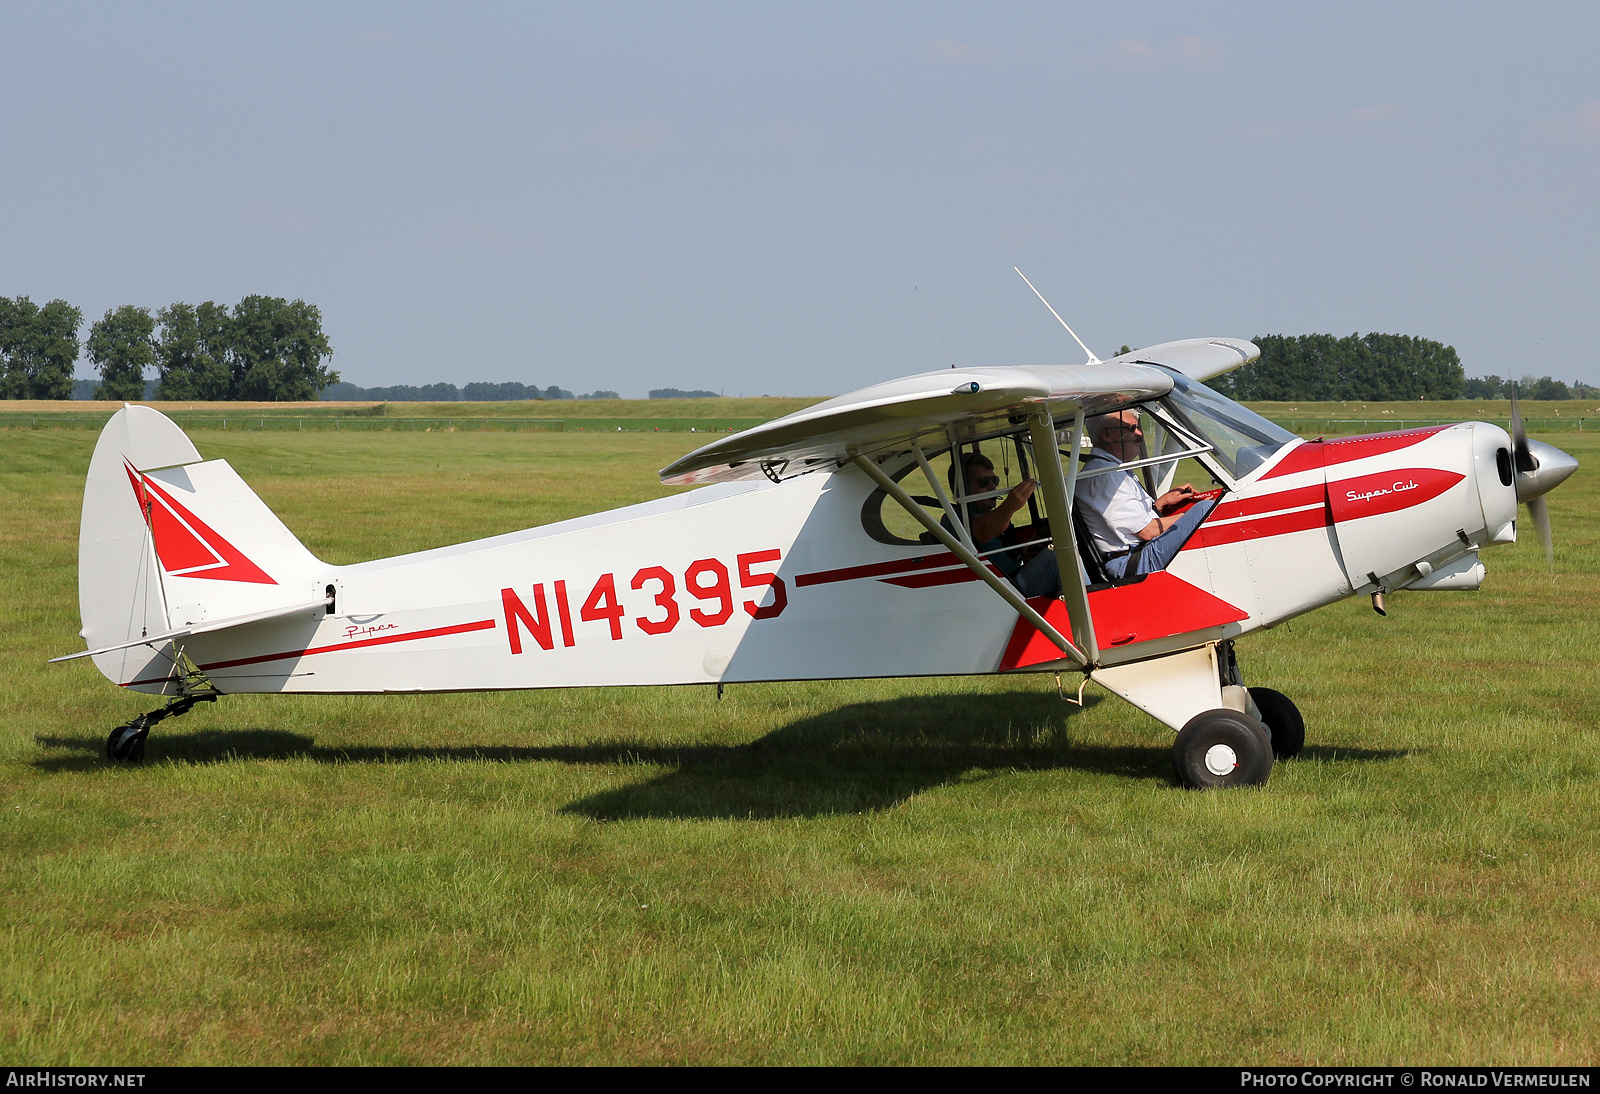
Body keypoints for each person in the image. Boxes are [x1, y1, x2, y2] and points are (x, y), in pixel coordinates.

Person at [1074, 410, 1216, 580]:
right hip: (1131, 563)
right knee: (1206, 509)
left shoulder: (1108, 468)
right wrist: (1192, 515)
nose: (1140, 433)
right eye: (1132, 428)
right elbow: (1147, 531)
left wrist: (1160, 504)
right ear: (1108, 435)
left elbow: (1128, 521)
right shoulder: (1106, 475)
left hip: (1135, 554)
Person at [942, 453, 1061, 598]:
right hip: (1001, 590)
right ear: (963, 489)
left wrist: (1023, 556)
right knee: (1058, 557)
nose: (992, 487)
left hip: (1009, 580)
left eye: (995, 480)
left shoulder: (989, 516)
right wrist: (1010, 505)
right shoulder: (955, 517)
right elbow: (983, 530)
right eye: (984, 482)